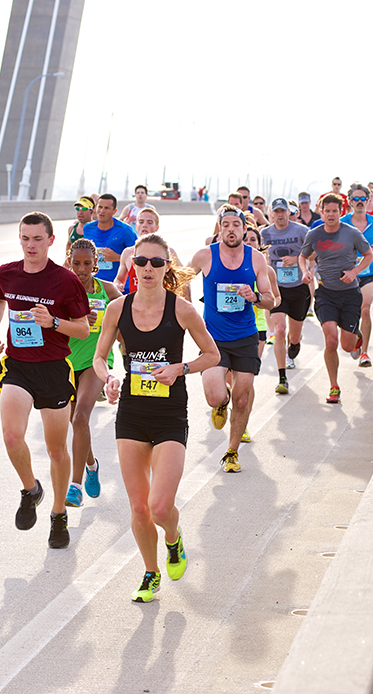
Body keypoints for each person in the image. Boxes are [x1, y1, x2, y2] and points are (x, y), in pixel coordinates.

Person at [94, 233, 219, 602]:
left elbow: (211, 355)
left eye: (157, 262)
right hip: (131, 413)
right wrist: (110, 379)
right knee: (138, 506)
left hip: (168, 415)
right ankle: (150, 573)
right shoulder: (118, 309)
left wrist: (179, 369)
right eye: (142, 261)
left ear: (167, 267)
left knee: (160, 507)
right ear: (133, 265)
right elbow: (100, 358)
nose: (148, 268)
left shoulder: (181, 309)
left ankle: (174, 538)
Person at [0, 211, 92, 549]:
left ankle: (58, 514)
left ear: (50, 240)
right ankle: (30, 488)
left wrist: (53, 323)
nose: (30, 245)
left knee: (56, 449)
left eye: (37, 238)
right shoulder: (6, 273)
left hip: (53, 369)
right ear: (19, 239)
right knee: (11, 434)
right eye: (24, 238)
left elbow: (82, 328)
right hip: (18, 366)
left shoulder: (65, 281)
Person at [188, 206, 275, 472]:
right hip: (212, 339)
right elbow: (180, 280)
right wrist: (184, 306)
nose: (230, 229)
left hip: (246, 337)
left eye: (235, 225)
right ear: (219, 229)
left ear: (244, 229)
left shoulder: (257, 260)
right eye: (224, 224)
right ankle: (220, 404)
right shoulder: (204, 256)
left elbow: (270, 301)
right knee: (216, 397)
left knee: (242, 397)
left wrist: (255, 297)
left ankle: (232, 452)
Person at [64, 238, 122, 509]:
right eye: (76, 263)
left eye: (87, 263)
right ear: (69, 262)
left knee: (80, 417)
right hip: (65, 362)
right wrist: (74, 321)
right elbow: (47, 323)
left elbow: (129, 318)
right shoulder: (61, 290)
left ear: (96, 264)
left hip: (96, 361)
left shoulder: (107, 290)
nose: (81, 269)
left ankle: (74, 486)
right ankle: (91, 465)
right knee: (76, 424)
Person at [299, 194, 373, 403]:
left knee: (347, 347)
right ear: (321, 211)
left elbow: (369, 255)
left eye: (334, 211)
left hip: (350, 294)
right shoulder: (314, 234)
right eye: (327, 211)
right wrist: (305, 271)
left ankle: (356, 337)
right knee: (330, 339)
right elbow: (303, 256)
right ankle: (334, 386)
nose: (331, 215)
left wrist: (355, 272)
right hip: (325, 294)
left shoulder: (352, 233)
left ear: (341, 212)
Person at [261, 197, 311, 394]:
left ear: (288, 212)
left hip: (298, 288)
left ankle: (295, 344)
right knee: (279, 330)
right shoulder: (264, 233)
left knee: (294, 335)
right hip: (277, 289)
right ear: (271, 213)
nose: (280, 215)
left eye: (283, 211)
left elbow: (313, 254)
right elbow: (257, 254)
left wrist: (297, 259)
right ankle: (282, 378)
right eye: (277, 211)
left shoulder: (301, 231)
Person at [340, 186, 373, 368]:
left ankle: (364, 352)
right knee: (350, 312)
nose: (359, 202)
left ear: (368, 200)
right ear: (350, 201)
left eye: (363, 198)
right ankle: (354, 337)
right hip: (348, 273)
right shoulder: (342, 222)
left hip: (368, 272)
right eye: (355, 198)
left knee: (365, 309)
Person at [115, 207, 186, 298]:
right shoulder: (128, 253)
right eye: (141, 222)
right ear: (136, 226)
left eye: (149, 222)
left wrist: (184, 301)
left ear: (157, 227)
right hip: (137, 305)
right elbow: (119, 279)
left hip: (162, 305)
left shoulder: (168, 252)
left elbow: (183, 279)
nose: (144, 225)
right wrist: (117, 285)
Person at [243, 224, 281, 361]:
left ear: (259, 244)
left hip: (257, 325)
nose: (249, 242)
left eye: (253, 239)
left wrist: (269, 303)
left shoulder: (268, 270)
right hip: (235, 324)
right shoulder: (230, 268)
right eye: (245, 239)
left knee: (250, 370)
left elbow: (277, 297)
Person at [83, 193, 138, 283]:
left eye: (106, 208)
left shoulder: (125, 230)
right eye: (100, 207)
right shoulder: (88, 228)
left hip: (118, 284)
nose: (102, 211)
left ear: (114, 211)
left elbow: (137, 258)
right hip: (95, 282)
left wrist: (118, 257)